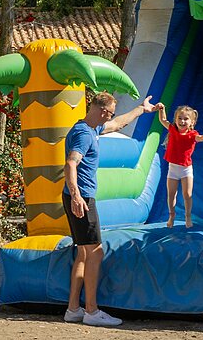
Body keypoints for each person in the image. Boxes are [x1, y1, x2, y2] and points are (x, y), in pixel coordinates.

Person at [63, 91, 158, 327]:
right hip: (82, 198)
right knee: (95, 252)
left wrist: (141, 109)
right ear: (102, 110)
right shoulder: (84, 135)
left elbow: (117, 124)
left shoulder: (90, 128)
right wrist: (76, 196)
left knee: (84, 253)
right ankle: (92, 311)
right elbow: (70, 164)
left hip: (77, 197)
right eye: (110, 113)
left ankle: (73, 309)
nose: (111, 118)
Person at [156, 104, 203, 229]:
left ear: (192, 122)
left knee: (187, 194)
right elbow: (163, 120)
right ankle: (171, 215)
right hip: (173, 169)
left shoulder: (192, 135)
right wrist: (162, 109)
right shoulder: (172, 129)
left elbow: (201, 138)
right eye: (179, 118)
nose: (182, 121)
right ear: (176, 119)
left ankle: (187, 216)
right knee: (171, 194)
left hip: (186, 170)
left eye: (185, 119)